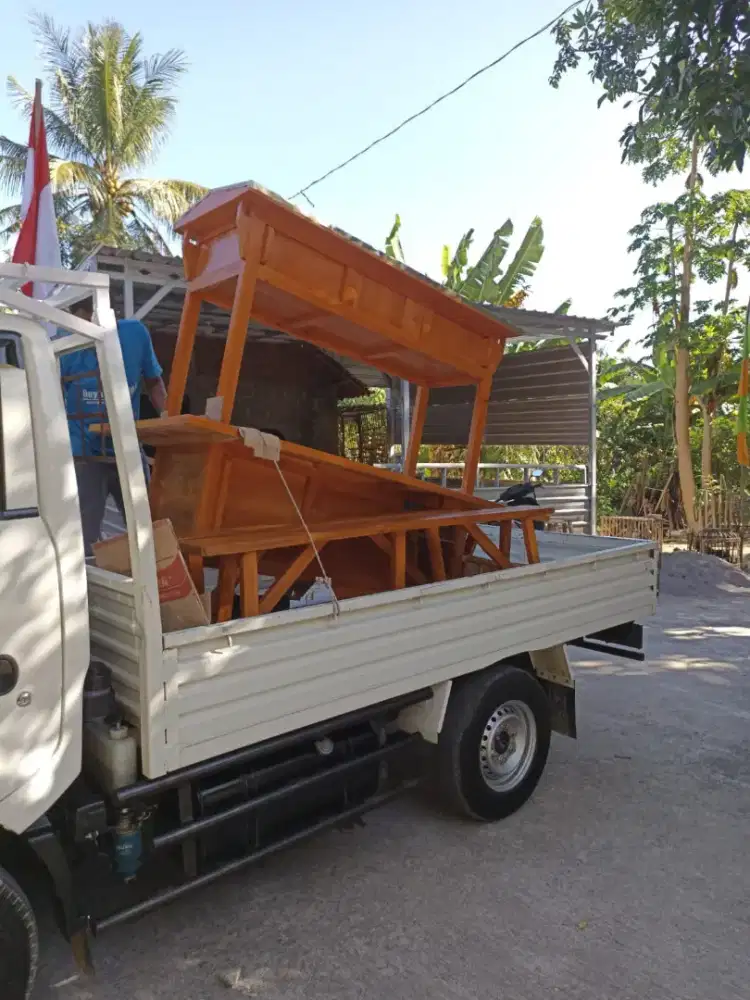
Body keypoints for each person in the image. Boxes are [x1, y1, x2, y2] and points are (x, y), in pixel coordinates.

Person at [59, 296, 167, 555]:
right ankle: (89, 589)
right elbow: (51, 393)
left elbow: (154, 382)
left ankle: (154, 583)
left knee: (148, 524)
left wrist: (167, 415)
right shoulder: (64, 341)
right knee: (85, 536)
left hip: (127, 448)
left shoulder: (134, 334)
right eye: (82, 326)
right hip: (84, 453)